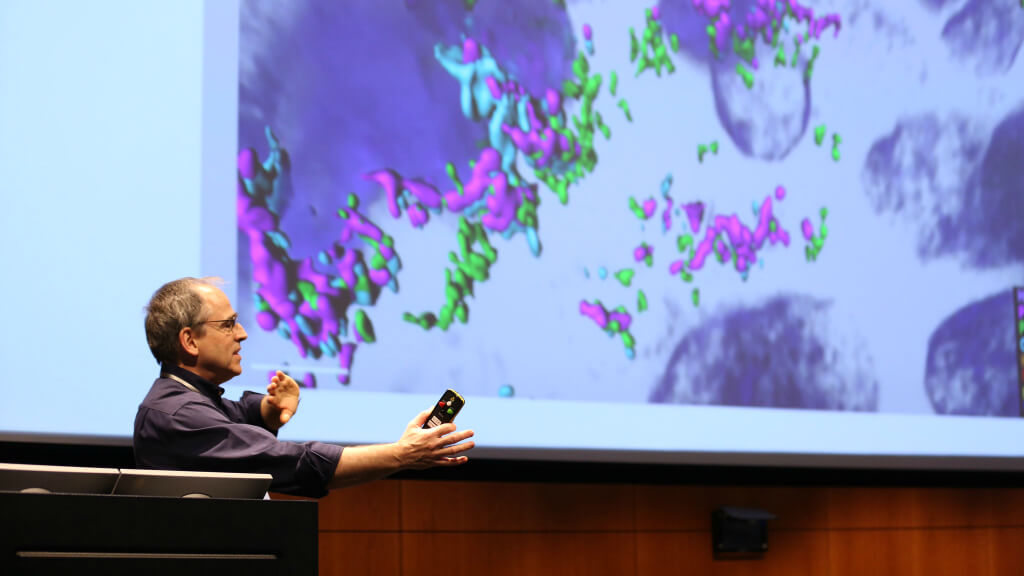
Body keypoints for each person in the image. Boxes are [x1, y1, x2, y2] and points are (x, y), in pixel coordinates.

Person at [133, 277, 474, 498]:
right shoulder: (179, 414)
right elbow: (291, 461)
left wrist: (267, 410)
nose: (242, 334)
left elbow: (235, 415)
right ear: (190, 341)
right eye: (228, 324)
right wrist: (402, 454)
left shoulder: (188, 400)